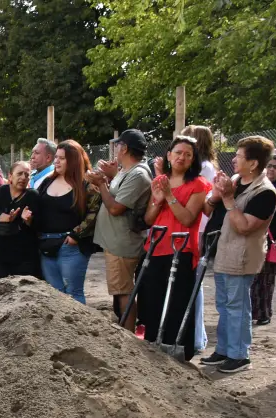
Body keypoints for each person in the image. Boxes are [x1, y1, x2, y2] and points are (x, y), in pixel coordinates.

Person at [201, 136, 276, 373]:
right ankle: (224, 349)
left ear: (253, 163)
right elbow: (208, 207)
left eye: (239, 155)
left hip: (242, 256)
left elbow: (244, 226)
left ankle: (240, 355)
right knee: (224, 305)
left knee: (238, 306)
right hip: (225, 252)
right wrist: (217, 193)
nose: (233, 159)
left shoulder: (265, 193)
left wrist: (228, 199)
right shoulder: (236, 180)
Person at [137, 136, 210, 361]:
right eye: (178, 152)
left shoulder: (197, 184)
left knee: (177, 300)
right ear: (169, 155)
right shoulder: (161, 180)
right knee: (152, 299)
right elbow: (149, 219)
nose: (182, 157)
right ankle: (152, 342)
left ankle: (177, 346)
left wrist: (169, 196)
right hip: (156, 247)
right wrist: (158, 199)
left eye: (188, 155)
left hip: (181, 248)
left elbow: (188, 219)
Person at [92, 129, 153, 330]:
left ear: (125, 148)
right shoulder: (126, 171)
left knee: (124, 291)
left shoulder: (138, 174)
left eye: (117, 145)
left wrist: (101, 184)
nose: (115, 149)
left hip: (123, 244)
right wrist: (109, 178)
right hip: (115, 242)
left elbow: (116, 208)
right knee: (119, 292)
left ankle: (128, 336)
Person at [35, 140, 100, 304]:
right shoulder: (47, 182)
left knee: (73, 295)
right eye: (56, 157)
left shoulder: (86, 186)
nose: (56, 161)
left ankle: (78, 330)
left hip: (71, 247)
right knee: (54, 295)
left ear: (73, 161)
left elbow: (94, 213)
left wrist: (76, 234)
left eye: (62, 158)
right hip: (46, 246)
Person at [181, 125, 218, 352]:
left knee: (195, 281)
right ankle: (197, 335)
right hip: (198, 227)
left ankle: (196, 337)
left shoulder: (203, 169)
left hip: (198, 229)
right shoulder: (206, 167)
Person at [249, 151, 276, 326]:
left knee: (266, 280)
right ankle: (254, 311)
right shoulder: (259, 185)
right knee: (254, 279)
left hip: (273, 242)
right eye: (268, 166)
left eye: (275, 166)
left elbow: (274, 203)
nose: (271, 170)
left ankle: (264, 313)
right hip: (256, 238)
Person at [0, 161, 40, 279]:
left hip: (24, 257)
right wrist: (8, 218)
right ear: (10, 176)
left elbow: (37, 223)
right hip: (1, 255)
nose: (23, 177)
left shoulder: (32, 195)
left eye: (27, 175)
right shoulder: (3, 191)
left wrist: (27, 219)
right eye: (20, 174)